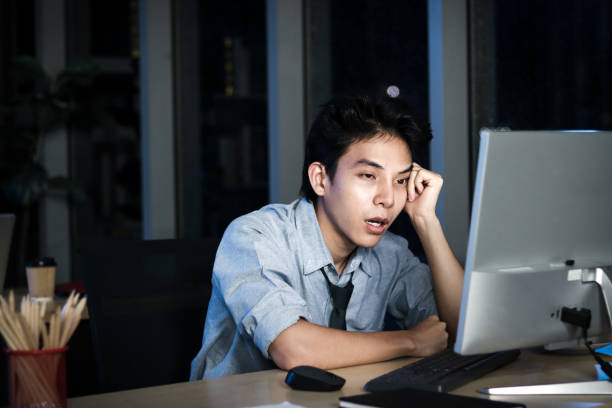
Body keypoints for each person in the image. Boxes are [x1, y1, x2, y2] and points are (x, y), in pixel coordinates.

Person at [190, 95, 464, 380]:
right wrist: (411, 341)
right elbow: (292, 349)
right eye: (368, 176)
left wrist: (426, 221)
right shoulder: (254, 236)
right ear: (320, 179)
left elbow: (459, 335)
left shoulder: (390, 253)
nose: (388, 199)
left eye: (400, 181)